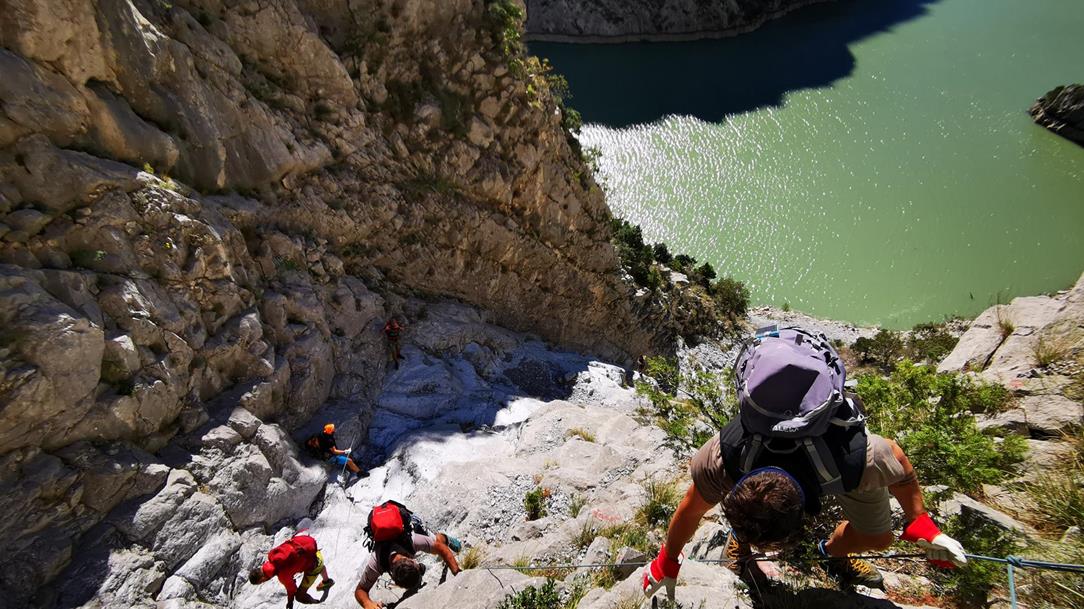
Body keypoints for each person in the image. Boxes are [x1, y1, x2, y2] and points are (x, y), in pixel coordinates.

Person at [642, 326, 966, 598]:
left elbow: (899, 464)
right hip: (791, 470)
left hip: (831, 462)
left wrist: (921, 524)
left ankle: (830, 553)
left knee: (878, 538)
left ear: (805, 516)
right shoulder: (725, 456)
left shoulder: (854, 460)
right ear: (736, 484)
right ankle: (742, 541)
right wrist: (666, 562)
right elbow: (690, 509)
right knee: (758, 515)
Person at [354, 501, 462, 609]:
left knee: (437, 540)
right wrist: (368, 604)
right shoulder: (377, 560)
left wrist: (458, 573)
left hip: (404, 521)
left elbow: (441, 548)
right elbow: (360, 591)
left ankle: (446, 538)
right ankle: (419, 569)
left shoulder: (413, 540)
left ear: (409, 558)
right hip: (386, 523)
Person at [249, 528, 334, 608]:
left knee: (300, 596)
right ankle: (327, 582)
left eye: (262, 582)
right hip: (309, 544)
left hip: (315, 561)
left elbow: (292, 589)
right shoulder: (272, 554)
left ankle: (318, 604)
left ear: (262, 579)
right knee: (311, 562)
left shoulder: (283, 576)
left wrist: (290, 602)